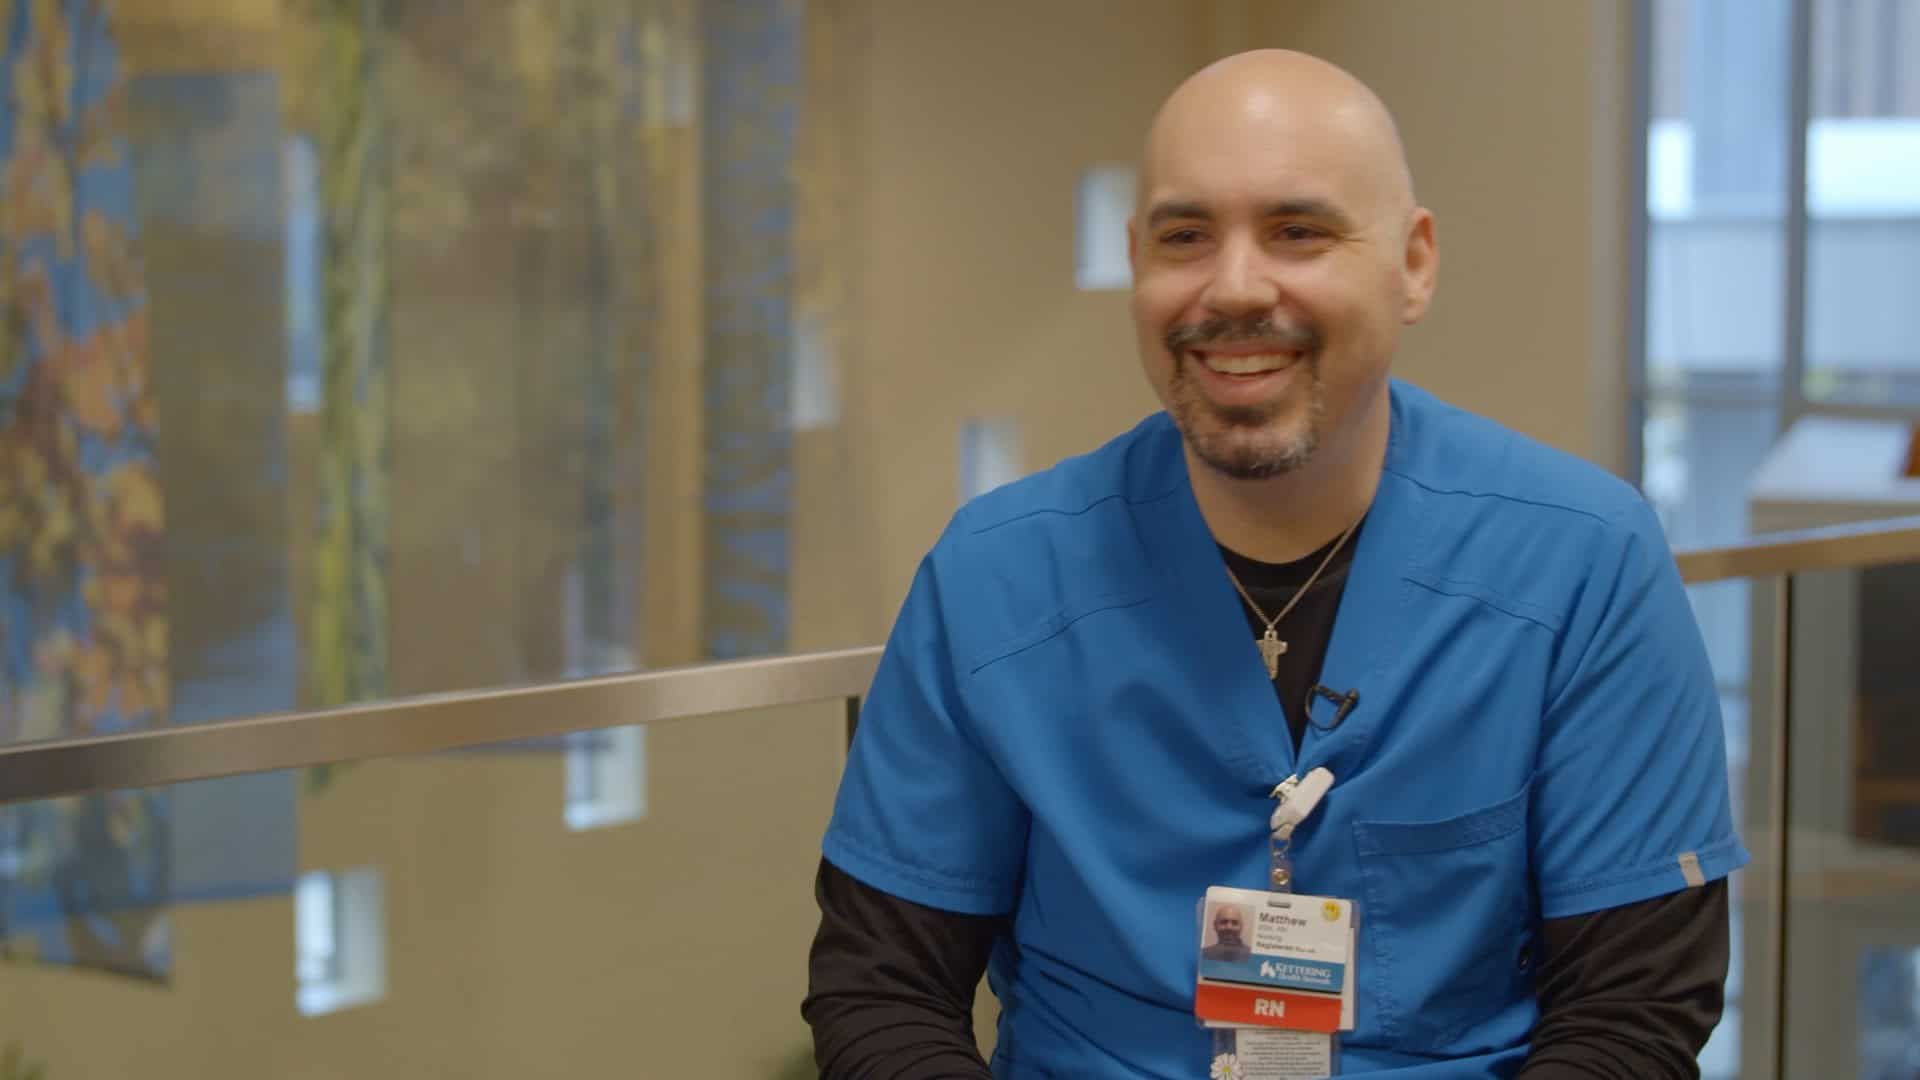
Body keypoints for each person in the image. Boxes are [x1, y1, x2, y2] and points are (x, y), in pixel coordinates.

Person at [803, 48, 1746, 1078]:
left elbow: (1634, 1014)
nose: (1236, 286)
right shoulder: (994, 577)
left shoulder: (1583, 565)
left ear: (1414, 262)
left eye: (1298, 231)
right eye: (1184, 236)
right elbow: (882, 992)